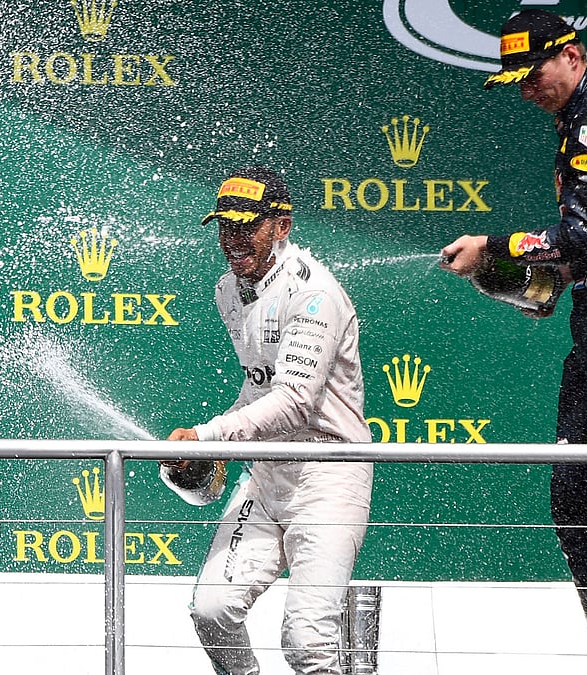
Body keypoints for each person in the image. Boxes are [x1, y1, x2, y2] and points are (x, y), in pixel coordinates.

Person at [440, 10, 587, 675]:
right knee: (573, 493)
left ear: (572, 55)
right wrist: (553, 280)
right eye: (515, 80)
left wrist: (493, 245)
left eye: (532, 74)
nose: (525, 90)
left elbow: (582, 235)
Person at [164, 166, 374, 675]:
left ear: (281, 226)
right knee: (212, 612)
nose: (233, 240)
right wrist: (200, 450)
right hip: (266, 474)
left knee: (307, 640)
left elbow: (296, 401)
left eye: (247, 227)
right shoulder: (228, 291)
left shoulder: (313, 293)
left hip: (330, 473)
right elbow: (259, 388)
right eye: (224, 227)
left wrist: (210, 436)